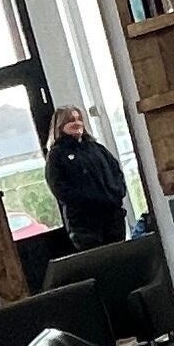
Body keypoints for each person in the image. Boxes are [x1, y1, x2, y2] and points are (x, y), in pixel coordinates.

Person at [43, 106, 130, 250]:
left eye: (79, 119)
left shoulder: (97, 148)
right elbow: (59, 188)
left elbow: (116, 171)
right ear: (60, 126)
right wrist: (87, 201)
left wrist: (117, 194)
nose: (77, 123)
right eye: (71, 120)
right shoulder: (56, 155)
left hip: (113, 219)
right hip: (84, 225)